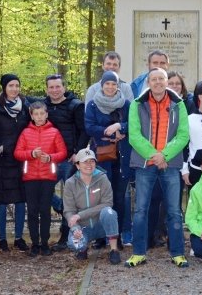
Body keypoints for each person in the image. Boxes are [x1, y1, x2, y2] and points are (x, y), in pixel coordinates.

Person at [124, 68, 190, 268]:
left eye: (161, 78)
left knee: (174, 211)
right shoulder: (137, 104)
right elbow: (134, 136)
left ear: (166, 81)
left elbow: (183, 135)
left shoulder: (179, 104)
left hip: (170, 163)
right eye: (154, 79)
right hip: (145, 164)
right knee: (140, 210)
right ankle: (138, 253)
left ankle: (178, 253)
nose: (158, 82)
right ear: (148, 82)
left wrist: (165, 155)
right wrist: (155, 155)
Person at [14, 101, 67, 256]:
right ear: (31, 116)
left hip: (47, 177)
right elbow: (17, 153)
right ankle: (34, 243)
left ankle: (44, 243)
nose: (39, 117)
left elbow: (63, 152)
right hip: (30, 177)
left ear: (46, 114)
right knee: (32, 211)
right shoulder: (25, 133)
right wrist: (31, 154)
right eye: (36, 114)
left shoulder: (54, 132)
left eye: (42, 113)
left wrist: (50, 157)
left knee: (45, 211)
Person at [0, 74, 29, 252]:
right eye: (11, 85)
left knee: (21, 200)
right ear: (4, 88)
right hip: (2, 160)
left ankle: (19, 237)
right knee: (1, 201)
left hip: (21, 160)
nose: (14, 89)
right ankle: (2, 238)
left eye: (17, 85)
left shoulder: (25, 107)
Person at [42, 74, 87, 252]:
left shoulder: (75, 106)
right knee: (44, 191)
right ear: (46, 89)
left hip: (69, 159)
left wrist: (77, 152)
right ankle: (61, 209)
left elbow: (84, 131)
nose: (54, 90)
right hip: (48, 159)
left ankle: (65, 236)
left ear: (64, 88)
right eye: (51, 87)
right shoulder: (42, 106)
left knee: (69, 197)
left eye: (57, 86)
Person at [84, 71, 130, 242]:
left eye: (113, 84)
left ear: (118, 86)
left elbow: (134, 123)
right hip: (102, 157)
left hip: (122, 156)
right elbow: (89, 126)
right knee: (101, 197)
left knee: (119, 197)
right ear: (102, 85)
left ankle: (116, 237)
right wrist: (108, 132)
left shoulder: (125, 104)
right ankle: (100, 237)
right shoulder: (93, 104)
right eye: (107, 84)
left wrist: (120, 127)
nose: (110, 87)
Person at [63, 148, 121, 265]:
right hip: (83, 226)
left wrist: (80, 215)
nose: (89, 165)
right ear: (77, 165)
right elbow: (69, 211)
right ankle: (83, 248)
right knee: (75, 245)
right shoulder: (70, 183)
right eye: (85, 162)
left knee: (109, 212)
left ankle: (114, 250)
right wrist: (75, 229)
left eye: (92, 161)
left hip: (101, 224)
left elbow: (107, 203)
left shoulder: (102, 178)